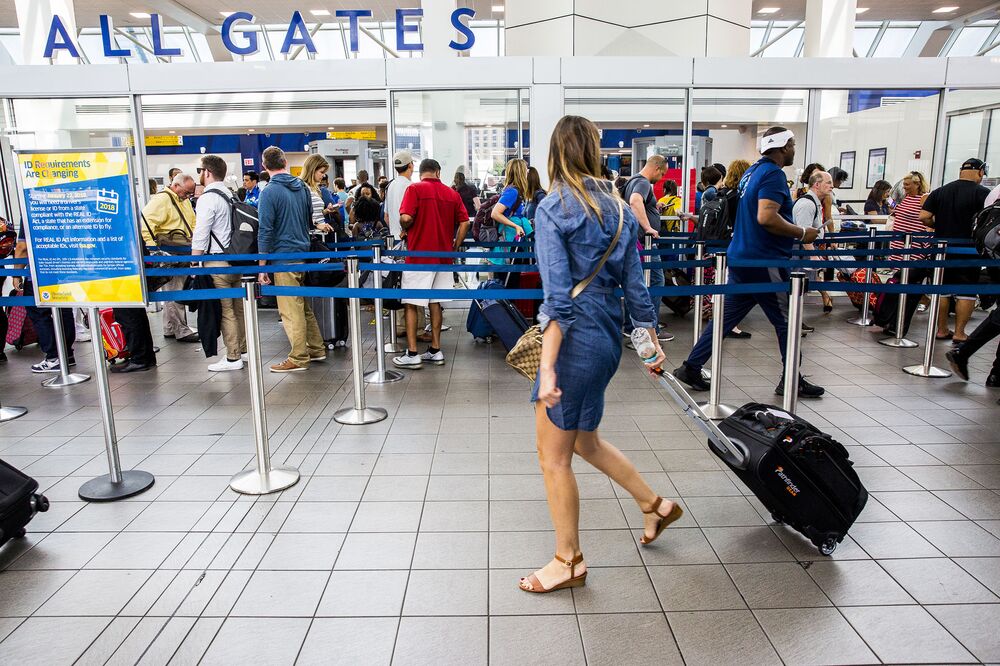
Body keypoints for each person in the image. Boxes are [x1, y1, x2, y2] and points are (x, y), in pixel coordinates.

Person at [518, 115, 682, 594]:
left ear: (556, 153)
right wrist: (649, 344)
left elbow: (557, 301)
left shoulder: (554, 207)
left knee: (553, 458)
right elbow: (636, 288)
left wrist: (547, 367)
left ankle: (568, 560)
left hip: (571, 342)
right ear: (593, 151)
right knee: (583, 441)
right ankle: (655, 505)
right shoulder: (619, 209)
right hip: (607, 337)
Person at [673, 126, 825, 399]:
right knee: (787, 321)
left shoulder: (750, 173)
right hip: (764, 260)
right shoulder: (773, 174)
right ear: (782, 146)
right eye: (791, 145)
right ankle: (792, 379)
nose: (793, 150)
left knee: (725, 319)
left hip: (741, 257)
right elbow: (766, 217)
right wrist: (802, 232)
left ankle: (691, 366)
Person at [257, 146, 329, 373]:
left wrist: (262, 266)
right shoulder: (302, 187)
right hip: (303, 252)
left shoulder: (269, 192)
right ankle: (316, 348)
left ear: (264, 165)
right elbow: (309, 222)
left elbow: (265, 230)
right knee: (302, 304)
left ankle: (298, 357)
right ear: (285, 162)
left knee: (290, 309)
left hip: (283, 255)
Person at [392, 158, 469, 369]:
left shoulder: (414, 189)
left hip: (419, 257)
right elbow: (465, 222)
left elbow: (406, 217)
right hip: (443, 257)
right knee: (436, 303)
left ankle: (412, 353)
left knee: (411, 304)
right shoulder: (451, 194)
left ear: (420, 172)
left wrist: (405, 226)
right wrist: (455, 245)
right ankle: (435, 350)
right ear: (438, 172)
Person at [920, 158, 990, 344]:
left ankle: (942, 330)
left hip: (942, 247)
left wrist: (937, 225)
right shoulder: (983, 193)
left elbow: (924, 216)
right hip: (969, 249)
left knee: (942, 289)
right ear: (980, 172)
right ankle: (960, 332)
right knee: (965, 292)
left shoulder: (941, 191)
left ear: (960, 171)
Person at [192, 154, 247, 372]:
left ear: (207, 172)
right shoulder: (231, 194)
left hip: (216, 260)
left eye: (200, 172)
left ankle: (233, 357)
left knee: (226, 310)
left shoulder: (208, 198)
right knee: (238, 308)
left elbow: (201, 232)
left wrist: (194, 262)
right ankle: (242, 349)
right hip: (235, 258)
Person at [140, 173, 199, 344]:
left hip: (182, 250)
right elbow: (145, 224)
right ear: (176, 186)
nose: (188, 196)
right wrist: (153, 250)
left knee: (172, 289)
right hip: (170, 252)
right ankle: (181, 330)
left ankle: (170, 327)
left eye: (190, 193)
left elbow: (192, 222)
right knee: (175, 291)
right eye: (186, 192)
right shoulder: (161, 200)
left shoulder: (183, 200)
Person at [10, 228, 77, 373]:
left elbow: (23, 247)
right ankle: (67, 354)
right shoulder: (61, 206)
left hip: (41, 270)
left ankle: (53, 357)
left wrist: (16, 274)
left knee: (39, 313)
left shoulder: (29, 210)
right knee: (63, 309)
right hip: (65, 267)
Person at [623, 154, 673, 343]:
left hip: (636, 242)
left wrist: (654, 206)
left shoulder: (632, 181)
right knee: (656, 282)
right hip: (645, 243)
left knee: (636, 283)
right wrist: (648, 227)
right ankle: (650, 327)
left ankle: (632, 326)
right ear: (657, 168)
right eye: (662, 174)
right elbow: (635, 201)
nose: (661, 179)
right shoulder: (643, 182)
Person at [793, 170, 834, 320]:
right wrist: (813, 256)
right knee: (797, 288)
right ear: (817, 184)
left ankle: (794, 321)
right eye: (828, 182)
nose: (832, 186)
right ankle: (792, 322)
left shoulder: (814, 202)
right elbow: (804, 236)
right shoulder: (807, 204)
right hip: (800, 253)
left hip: (803, 252)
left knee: (801, 288)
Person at [491, 158, 532, 241]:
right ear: (520, 173)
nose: (527, 172)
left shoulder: (515, 191)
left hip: (514, 237)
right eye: (525, 170)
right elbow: (495, 213)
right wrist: (515, 226)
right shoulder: (512, 192)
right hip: (510, 239)